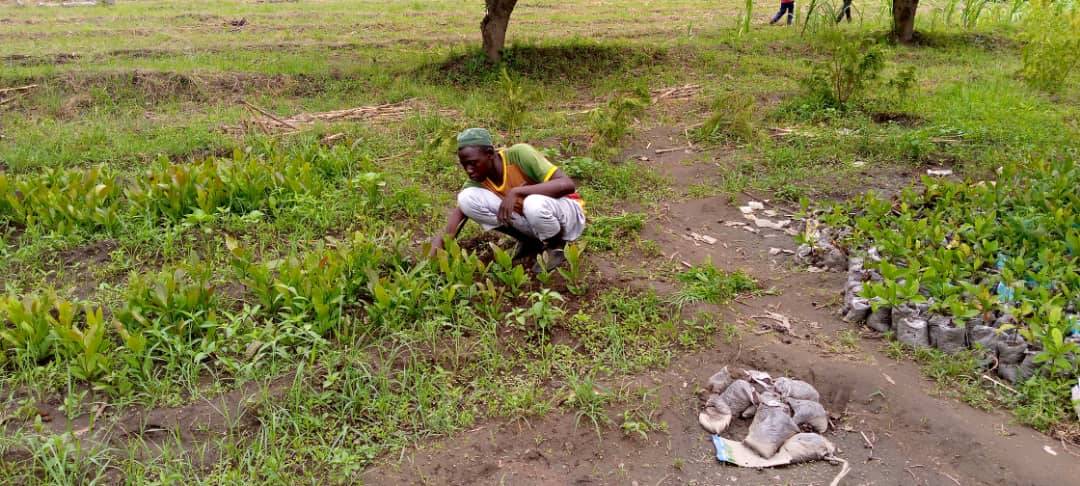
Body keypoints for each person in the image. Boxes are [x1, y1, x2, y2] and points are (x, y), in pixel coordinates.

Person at [430, 128, 586, 272]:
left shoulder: (519, 155)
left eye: (473, 163)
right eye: (464, 165)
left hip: (566, 215)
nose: (469, 170)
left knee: (532, 203)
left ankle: (556, 246)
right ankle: (530, 242)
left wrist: (517, 191)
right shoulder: (478, 180)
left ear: (490, 153)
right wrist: (432, 259)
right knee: (466, 199)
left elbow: (567, 184)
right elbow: (452, 225)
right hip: (536, 223)